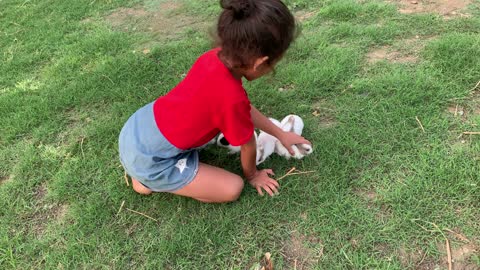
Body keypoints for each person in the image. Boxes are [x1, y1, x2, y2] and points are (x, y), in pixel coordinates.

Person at [118, 0, 311, 203]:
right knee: (232, 188)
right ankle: (146, 181)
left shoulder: (212, 57)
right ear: (260, 62)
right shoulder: (231, 99)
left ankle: (141, 173)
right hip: (153, 159)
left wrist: (280, 134)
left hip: (137, 129)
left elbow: (242, 109)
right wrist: (253, 175)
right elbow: (247, 144)